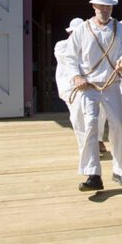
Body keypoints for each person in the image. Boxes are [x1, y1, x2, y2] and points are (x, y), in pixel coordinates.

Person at [64, 0, 122, 191]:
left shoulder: (120, 29)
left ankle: (121, 172)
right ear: (93, 7)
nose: (104, 9)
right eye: (101, 6)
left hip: (111, 85)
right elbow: (70, 57)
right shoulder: (82, 30)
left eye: (108, 6)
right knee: (90, 127)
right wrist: (77, 77)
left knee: (119, 126)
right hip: (88, 86)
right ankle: (93, 174)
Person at [55, 17, 86, 175]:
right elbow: (71, 62)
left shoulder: (85, 46)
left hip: (87, 85)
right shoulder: (61, 46)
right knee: (77, 117)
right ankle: (84, 148)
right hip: (70, 87)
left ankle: (95, 143)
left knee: (97, 116)